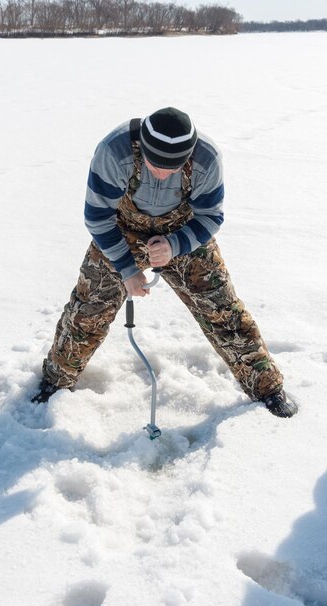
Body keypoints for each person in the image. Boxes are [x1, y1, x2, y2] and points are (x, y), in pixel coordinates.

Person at [32, 107, 297, 418]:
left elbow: (211, 216)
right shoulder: (114, 151)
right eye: (154, 164)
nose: (162, 173)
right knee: (88, 310)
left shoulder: (207, 158)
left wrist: (175, 245)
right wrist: (128, 270)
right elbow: (98, 217)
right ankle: (56, 381)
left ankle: (267, 388)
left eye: (173, 167)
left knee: (223, 310)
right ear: (142, 148)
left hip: (183, 231)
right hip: (121, 232)